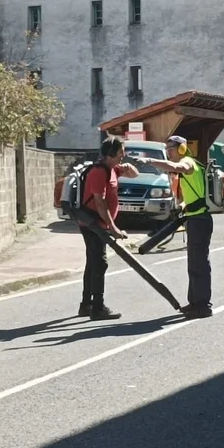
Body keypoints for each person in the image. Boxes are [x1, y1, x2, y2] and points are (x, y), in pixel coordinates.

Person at [136, 135, 213, 319]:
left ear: (181, 149)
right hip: (195, 219)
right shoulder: (190, 164)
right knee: (194, 264)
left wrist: (150, 161)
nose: (168, 153)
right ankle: (195, 302)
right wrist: (182, 206)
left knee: (199, 265)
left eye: (170, 149)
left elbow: (178, 167)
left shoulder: (187, 162)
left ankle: (203, 306)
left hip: (199, 220)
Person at [78, 136, 138, 320]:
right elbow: (100, 202)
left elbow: (134, 175)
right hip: (93, 223)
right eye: (120, 153)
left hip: (97, 222)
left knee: (93, 262)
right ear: (110, 154)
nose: (122, 156)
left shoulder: (112, 169)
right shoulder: (99, 172)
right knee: (100, 263)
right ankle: (97, 308)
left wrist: (128, 167)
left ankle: (86, 305)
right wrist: (112, 227)